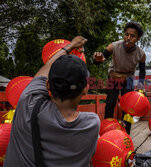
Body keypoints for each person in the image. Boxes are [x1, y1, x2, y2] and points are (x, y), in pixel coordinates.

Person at [4, 36, 100, 167]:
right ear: (85, 89)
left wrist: (70, 46)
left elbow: (45, 70)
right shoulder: (91, 124)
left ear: (48, 85)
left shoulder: (28, 103)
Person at [93, 21, 146, 134]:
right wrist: (97, 60)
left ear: (138, 38)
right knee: (110, 103)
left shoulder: (141, 54)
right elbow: (99, 60)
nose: (128, 38)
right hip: (114, 76)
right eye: (126, 34)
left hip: (128, 79)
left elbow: (142, 71)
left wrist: (141, 87)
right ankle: (106, 131)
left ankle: (126, 133)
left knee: (128, 108)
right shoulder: (114, 46)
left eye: (132, 36)